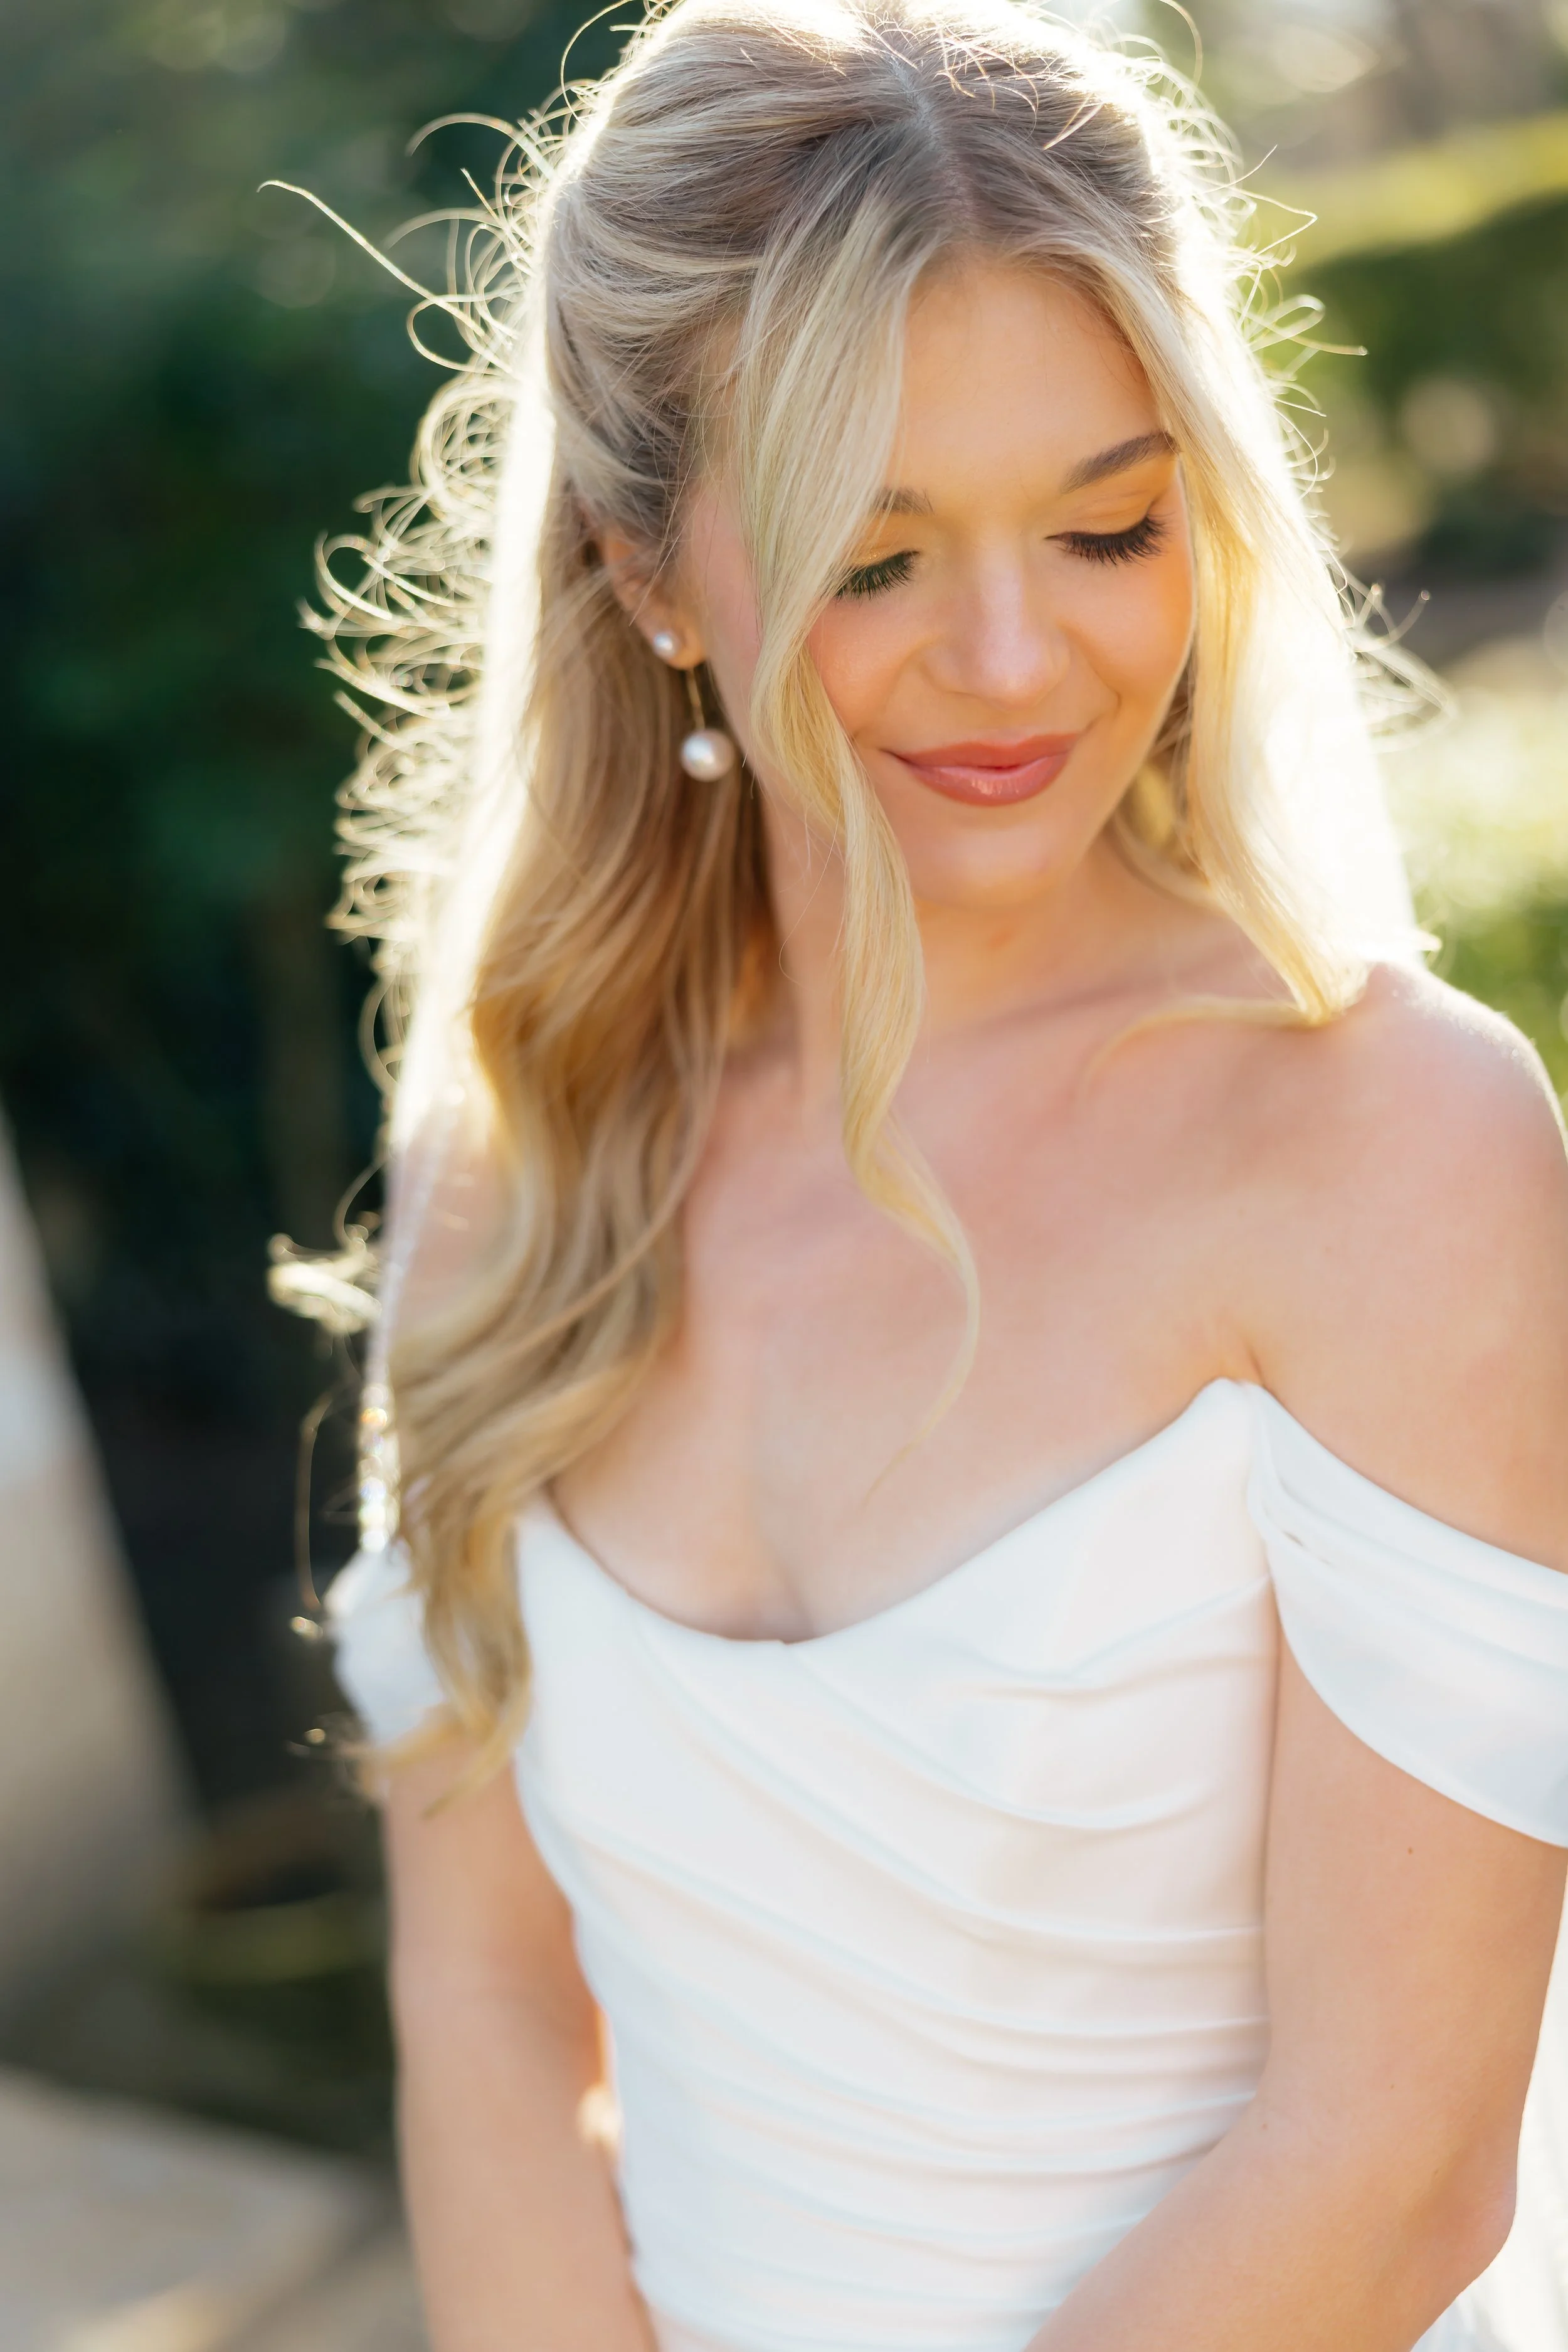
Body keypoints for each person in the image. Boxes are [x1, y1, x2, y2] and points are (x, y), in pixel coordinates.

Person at [312, 2, 1568, 2345]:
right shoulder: (514, 1165)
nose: (1016, 659)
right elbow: (489, 2016)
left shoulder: (1394, 1145)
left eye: (1107, 524)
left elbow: (1394, 2167)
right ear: (648, 570)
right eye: (873, 560)